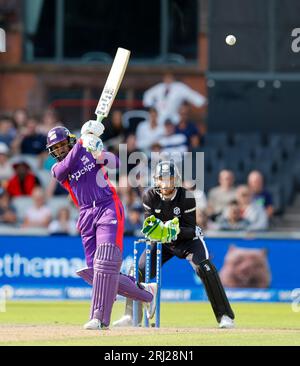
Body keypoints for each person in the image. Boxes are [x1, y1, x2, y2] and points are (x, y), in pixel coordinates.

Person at [46, 123, 157, 330]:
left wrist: (97, 151)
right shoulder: (58, 167)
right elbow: (63, 170)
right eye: (56, 148)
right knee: (95, 272)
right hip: (86, 213)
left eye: (63, 146)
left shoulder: (87, 149)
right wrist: (81, 141)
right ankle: (146, 293)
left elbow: (115, 163)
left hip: (108, 206)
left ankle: (99, 318)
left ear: (68, 142)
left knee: (105, 263)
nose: (60, 150)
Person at [113, 161, 235, 329]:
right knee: (136, 270)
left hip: (188, 242)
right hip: (163, 243)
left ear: (175, 180)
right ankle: (130, 316)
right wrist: (161, 232)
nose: (165, 184)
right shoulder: (150, 196)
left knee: (205, 267)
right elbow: (149, 227)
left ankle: (225, 316)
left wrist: (171, 230)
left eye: (169, 179)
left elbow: (191, 230)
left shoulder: (187, 197)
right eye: (162, 179)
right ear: (156, 180)